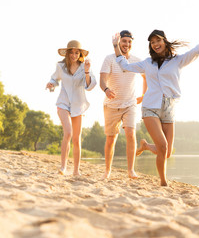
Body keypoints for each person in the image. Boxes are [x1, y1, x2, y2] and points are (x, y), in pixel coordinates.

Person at [112, 21, 199, 186]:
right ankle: (163, 182)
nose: (155, 44)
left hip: (169, 107)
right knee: (163, 145)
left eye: (157, 41)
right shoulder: (147, 63)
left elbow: (197, 50)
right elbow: (124, 65)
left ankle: (145, 145)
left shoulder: (178, 61)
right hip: (150, 107)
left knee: (166, 152)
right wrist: (116, 46)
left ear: (164, 42)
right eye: (152, 42)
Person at [100, 30, 147, 179]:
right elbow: (102, 79)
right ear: (119, 42)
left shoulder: (136, 60)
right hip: (111, 105)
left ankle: (130, 170)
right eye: (124, 41)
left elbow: (146, 77)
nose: (126, 44)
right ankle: (107, 171)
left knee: (130, 133)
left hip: (130, 104)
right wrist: (106, 89)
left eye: (129, 42)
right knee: (111, 138)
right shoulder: (109, 59)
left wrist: (144, 96)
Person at [46, 40, 97, 176]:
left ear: (80, 54)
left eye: (77, 52)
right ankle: (63, 167)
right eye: (71, 52)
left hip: (78, 105)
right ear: (67, 53)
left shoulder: (85, 66)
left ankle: (76, 170)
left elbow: (90, 86)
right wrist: (51, 84)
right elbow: (54, 79)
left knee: (76, 138)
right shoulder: (61, 66)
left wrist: (86, 71)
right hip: (63, 103)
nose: (74, 55)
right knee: (68, 133)